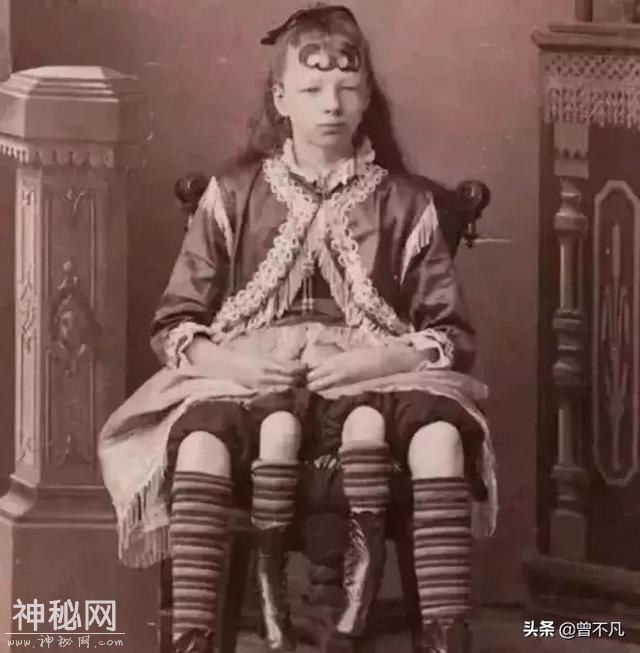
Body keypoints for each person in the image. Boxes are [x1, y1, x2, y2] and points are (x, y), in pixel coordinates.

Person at [97, 5, 498, 653]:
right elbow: (176, 323)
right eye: (312, 89)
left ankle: (445, 636)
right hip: (253, 376)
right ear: (280, 99)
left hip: (375, 375)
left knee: (442, 437)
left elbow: (449, 332)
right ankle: (194, 637)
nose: (331, 104)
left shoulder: (405, 203)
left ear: (367, 97)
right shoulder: (233, 195)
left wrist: (374, 362)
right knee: (199, 447)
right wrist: (239, 366)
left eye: (346, 87)